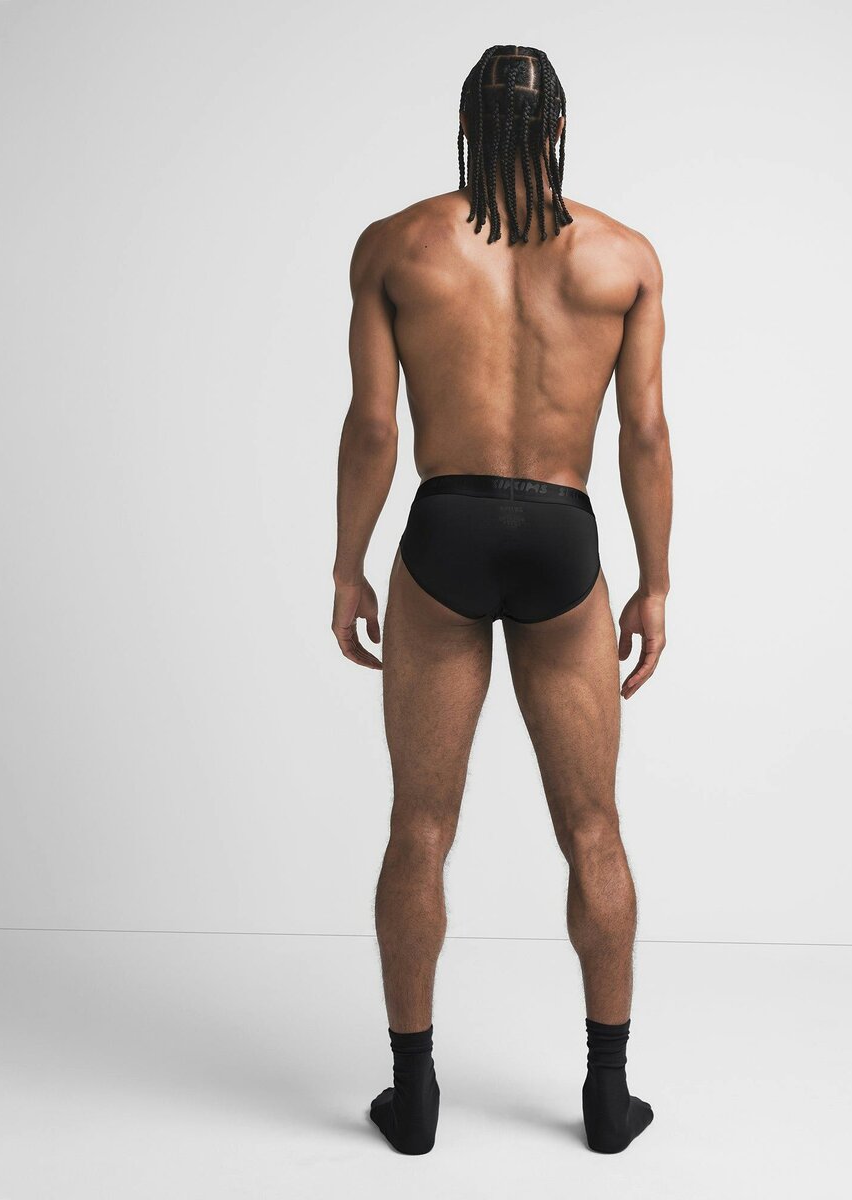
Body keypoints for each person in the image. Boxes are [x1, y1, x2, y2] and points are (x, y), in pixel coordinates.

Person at [331, 43, 671, 1155]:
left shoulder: (397, 246)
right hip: (564, 535)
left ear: (467, 126)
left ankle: (413, 1096)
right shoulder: (622, 257)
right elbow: (645, 433)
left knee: (419, 827)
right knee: (595, 828)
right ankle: (609, 1097)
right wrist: (655, 582)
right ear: (559, 128)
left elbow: (374, 427)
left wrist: (348, 565)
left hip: (447, 528)